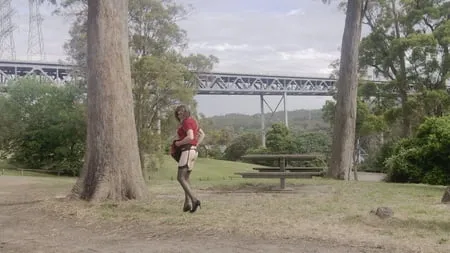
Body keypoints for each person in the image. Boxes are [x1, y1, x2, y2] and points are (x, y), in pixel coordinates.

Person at [170, 105, 205, 213]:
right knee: (186, 177)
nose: (179, 114)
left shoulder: (186, 122)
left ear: (187, 112)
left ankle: (194, 200)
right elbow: (202, 134)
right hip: (193, 151)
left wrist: (179, 143)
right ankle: (187, 203)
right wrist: (196, 145)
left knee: (180, 177)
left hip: (187, 151)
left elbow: (190, 136)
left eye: (182, 112)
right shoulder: (192, 121)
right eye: (178, 113)